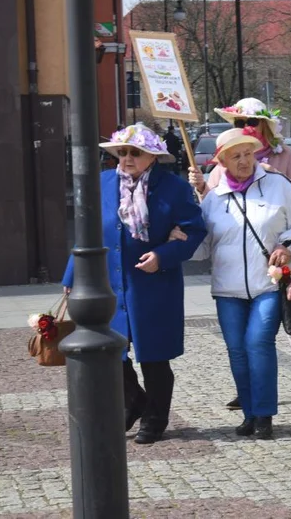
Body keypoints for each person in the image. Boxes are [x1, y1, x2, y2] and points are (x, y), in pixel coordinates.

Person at [62, 124, 207, 445]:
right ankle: (136, 401)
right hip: (110, 282)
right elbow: (87, 232)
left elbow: (194, 231)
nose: (126, 158)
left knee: (154, 356)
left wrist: (164, 255)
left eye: (134, 152)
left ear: (152, 158)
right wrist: (72, 274)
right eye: (121, 152)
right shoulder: (103, 184)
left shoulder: (173, 188)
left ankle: (156, 418)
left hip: (153, 284)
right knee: (112, 353)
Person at [190, 97, 291, 403]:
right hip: (228, 284)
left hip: (268, 279)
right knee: (238, 347)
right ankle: (249, 404)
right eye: (239, 123)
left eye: (248, 154)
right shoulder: (219, 185)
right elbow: (209, 225)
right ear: (222, 161)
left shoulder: (281, 160)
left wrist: (286, 244)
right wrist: (197, 195)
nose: (244, 160)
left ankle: (268, 404)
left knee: (261, 341)